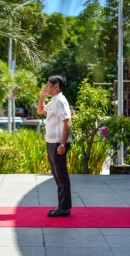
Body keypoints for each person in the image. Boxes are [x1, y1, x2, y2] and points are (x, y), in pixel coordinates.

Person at [37, 75, 73, 217]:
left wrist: (62, 144)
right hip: (51, 142)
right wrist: (42, 95)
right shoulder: (54, 101)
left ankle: (64, 208)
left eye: (48, 85)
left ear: (56, 85)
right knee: (57, 176)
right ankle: (62, 206)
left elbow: (68, 123)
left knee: (61, 176)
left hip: (58, 143)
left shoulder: (60, 101)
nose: (46, 87)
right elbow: (40, 110)